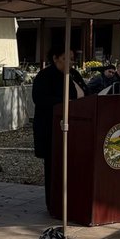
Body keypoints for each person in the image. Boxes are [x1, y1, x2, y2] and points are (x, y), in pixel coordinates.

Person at [32, 50, 88, 214]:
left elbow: (84, 93)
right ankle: (54, 205)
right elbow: (40, 99)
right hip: (51, 129)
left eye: (72, 59)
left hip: (74, 129)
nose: (70, 62)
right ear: (55, 58)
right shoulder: (44, 76)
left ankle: (71, 201)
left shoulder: (73, 75)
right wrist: (65, 102)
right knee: (54, 167)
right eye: (66, 59)